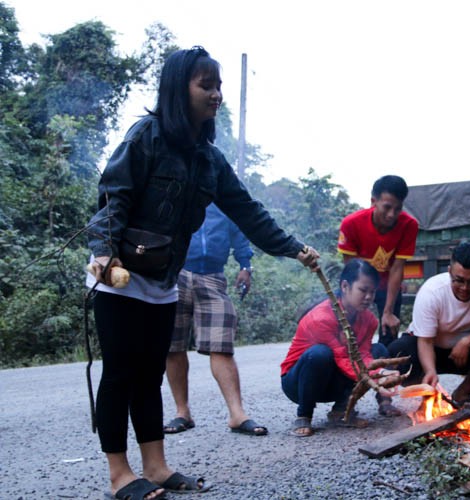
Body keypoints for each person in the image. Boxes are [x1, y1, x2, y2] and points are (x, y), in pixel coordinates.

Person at [86, 47, 319, 500]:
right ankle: (119, 473)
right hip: (116, 273)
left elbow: (248, 213)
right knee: (119, 374)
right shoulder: (146, 137)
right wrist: (104, 253)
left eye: (218, 85)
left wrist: (293, 249)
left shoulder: (209, 159)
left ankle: (155, 465)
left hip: (162, 280)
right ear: (179, 88)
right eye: (204, 84)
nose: (215, 94)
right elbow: (113, 196)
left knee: (150, 374)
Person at [164, 202, 266, 436]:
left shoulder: (222, 196)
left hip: (212, 276)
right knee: (173, 345)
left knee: (221, 344)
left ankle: (237, 414)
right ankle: (182, 412)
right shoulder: (180, 190)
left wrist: (245, 265)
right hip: (174, 272)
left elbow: (238, 232)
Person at [280, 259, 403, 437]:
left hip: (334, 379)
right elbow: (343, 358)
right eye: (363, 290)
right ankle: (304, 415)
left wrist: (381, 371)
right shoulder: (321, 318)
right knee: (320, 354)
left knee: (379, 352)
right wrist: (377, 377)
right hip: (299, 383)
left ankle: (342, 411)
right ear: (345, 286)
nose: (369, 297)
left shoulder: (369, 320)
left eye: (372, 292)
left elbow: (363, 356)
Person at [387, 242, 470, 405]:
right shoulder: (432, 292)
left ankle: (462, 393)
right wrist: (430, 370)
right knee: (397, 353)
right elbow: (425, 341)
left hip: (467, 353)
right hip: (431, 349)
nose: (465, 288)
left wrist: (467, 341)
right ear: (449, 272)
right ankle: (430, 396)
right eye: (459, 280)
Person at [338, 175, 418, 347]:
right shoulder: (351, 224)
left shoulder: (409, 225)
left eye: (398, 209)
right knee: (344, 328)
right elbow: (351, 269)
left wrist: (388, 312)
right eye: (387, 207)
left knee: (389, 331)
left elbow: (397, 269)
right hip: (358, 284)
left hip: (386, 286)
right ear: (373, 201)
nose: (392, 215)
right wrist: (355, 307)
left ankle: (387, 366)